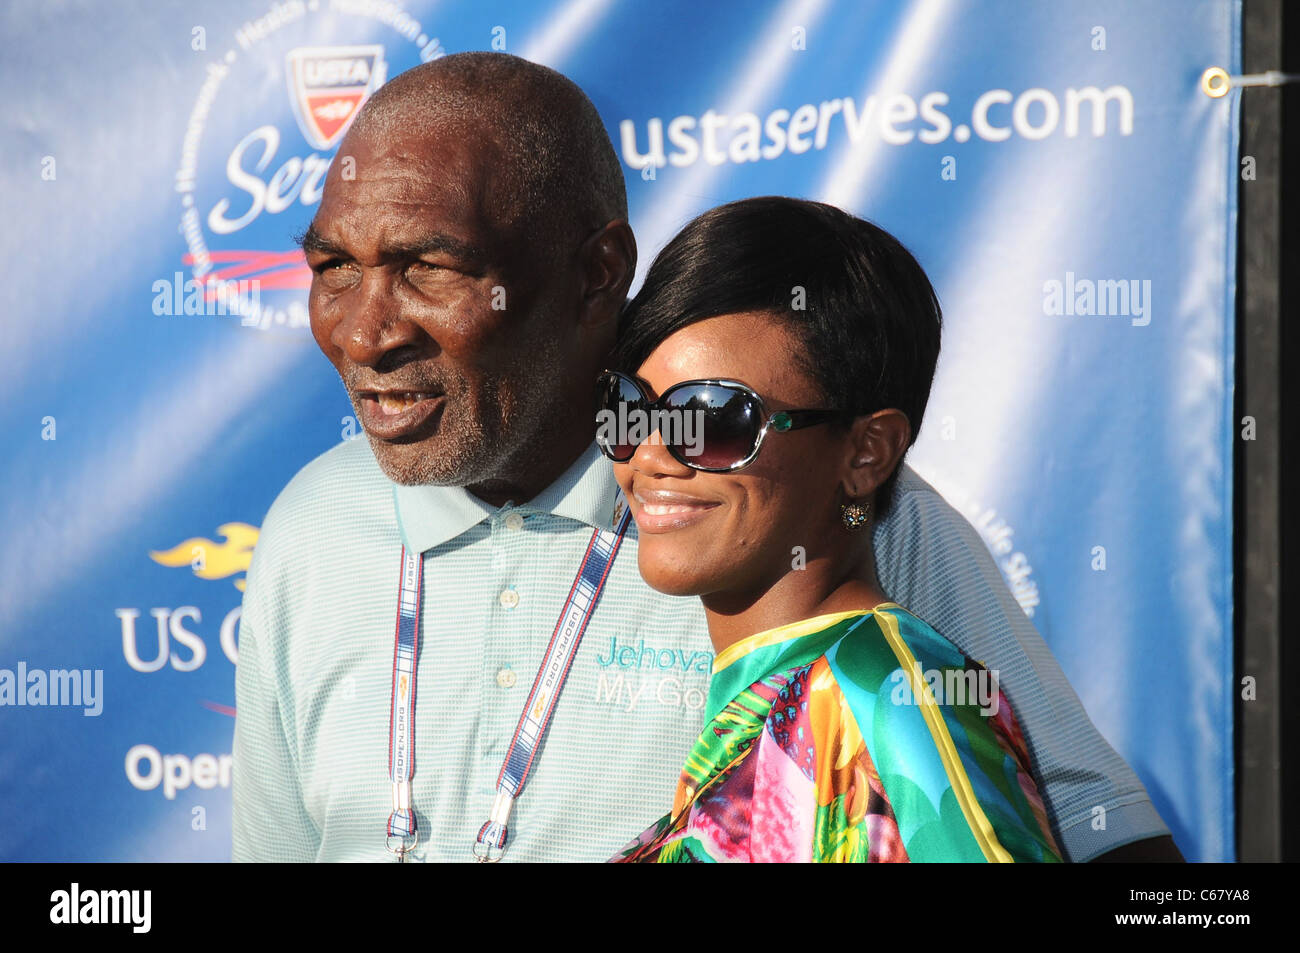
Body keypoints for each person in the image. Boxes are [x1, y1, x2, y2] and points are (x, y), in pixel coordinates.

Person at [231, 51, 1179, 862]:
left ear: (598, 273)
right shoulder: (309, 525)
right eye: (333, 268)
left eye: (429, 268)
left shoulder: (816, 512)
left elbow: (1106, 843)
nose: (364, 333)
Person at [602, 197, 1058, 862]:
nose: (650, 454)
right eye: (629, 409)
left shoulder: (886, 682)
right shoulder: (784, 697)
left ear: (865, 452)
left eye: (716, 417)